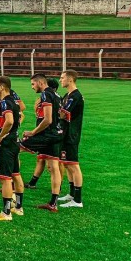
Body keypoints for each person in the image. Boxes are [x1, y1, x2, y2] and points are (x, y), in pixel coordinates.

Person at [20, 74, 63, 212]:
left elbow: (48, 119)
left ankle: (12, 187)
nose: (32, 87)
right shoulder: (57, 95)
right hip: (56, 134)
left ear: (40, 82)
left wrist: (32, 132)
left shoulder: (45, 94)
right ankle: (53, 203)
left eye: (33, 84)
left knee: (12, 149)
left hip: (46, 135)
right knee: (53, 167)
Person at [0, 76, 24, 221]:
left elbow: (9, 121)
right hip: (14, 142)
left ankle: (6, 212)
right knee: (16, 174)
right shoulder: (12, 102)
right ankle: (19, 208)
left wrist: (1, 136)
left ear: (2, 87)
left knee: (5, 178)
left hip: (7, 144)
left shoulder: (5, 103)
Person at [0, 73, 26, 180]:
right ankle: (1, 168)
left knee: (9, 152)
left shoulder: (9, 96)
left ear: (2, 86)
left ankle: (8, 173)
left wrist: (15, 120)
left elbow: (20, 108)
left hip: (6, 130)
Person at [58, 70, 85, 208]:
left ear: (70, 80)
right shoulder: (67, 95)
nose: (60, 80)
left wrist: (58, 112)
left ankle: (78, 200)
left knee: (73, 165)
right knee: (67, 164)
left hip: (71, 135)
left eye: (62, 78)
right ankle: (72, 193)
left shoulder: (75, 96)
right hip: (65, 133)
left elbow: (62, 113)